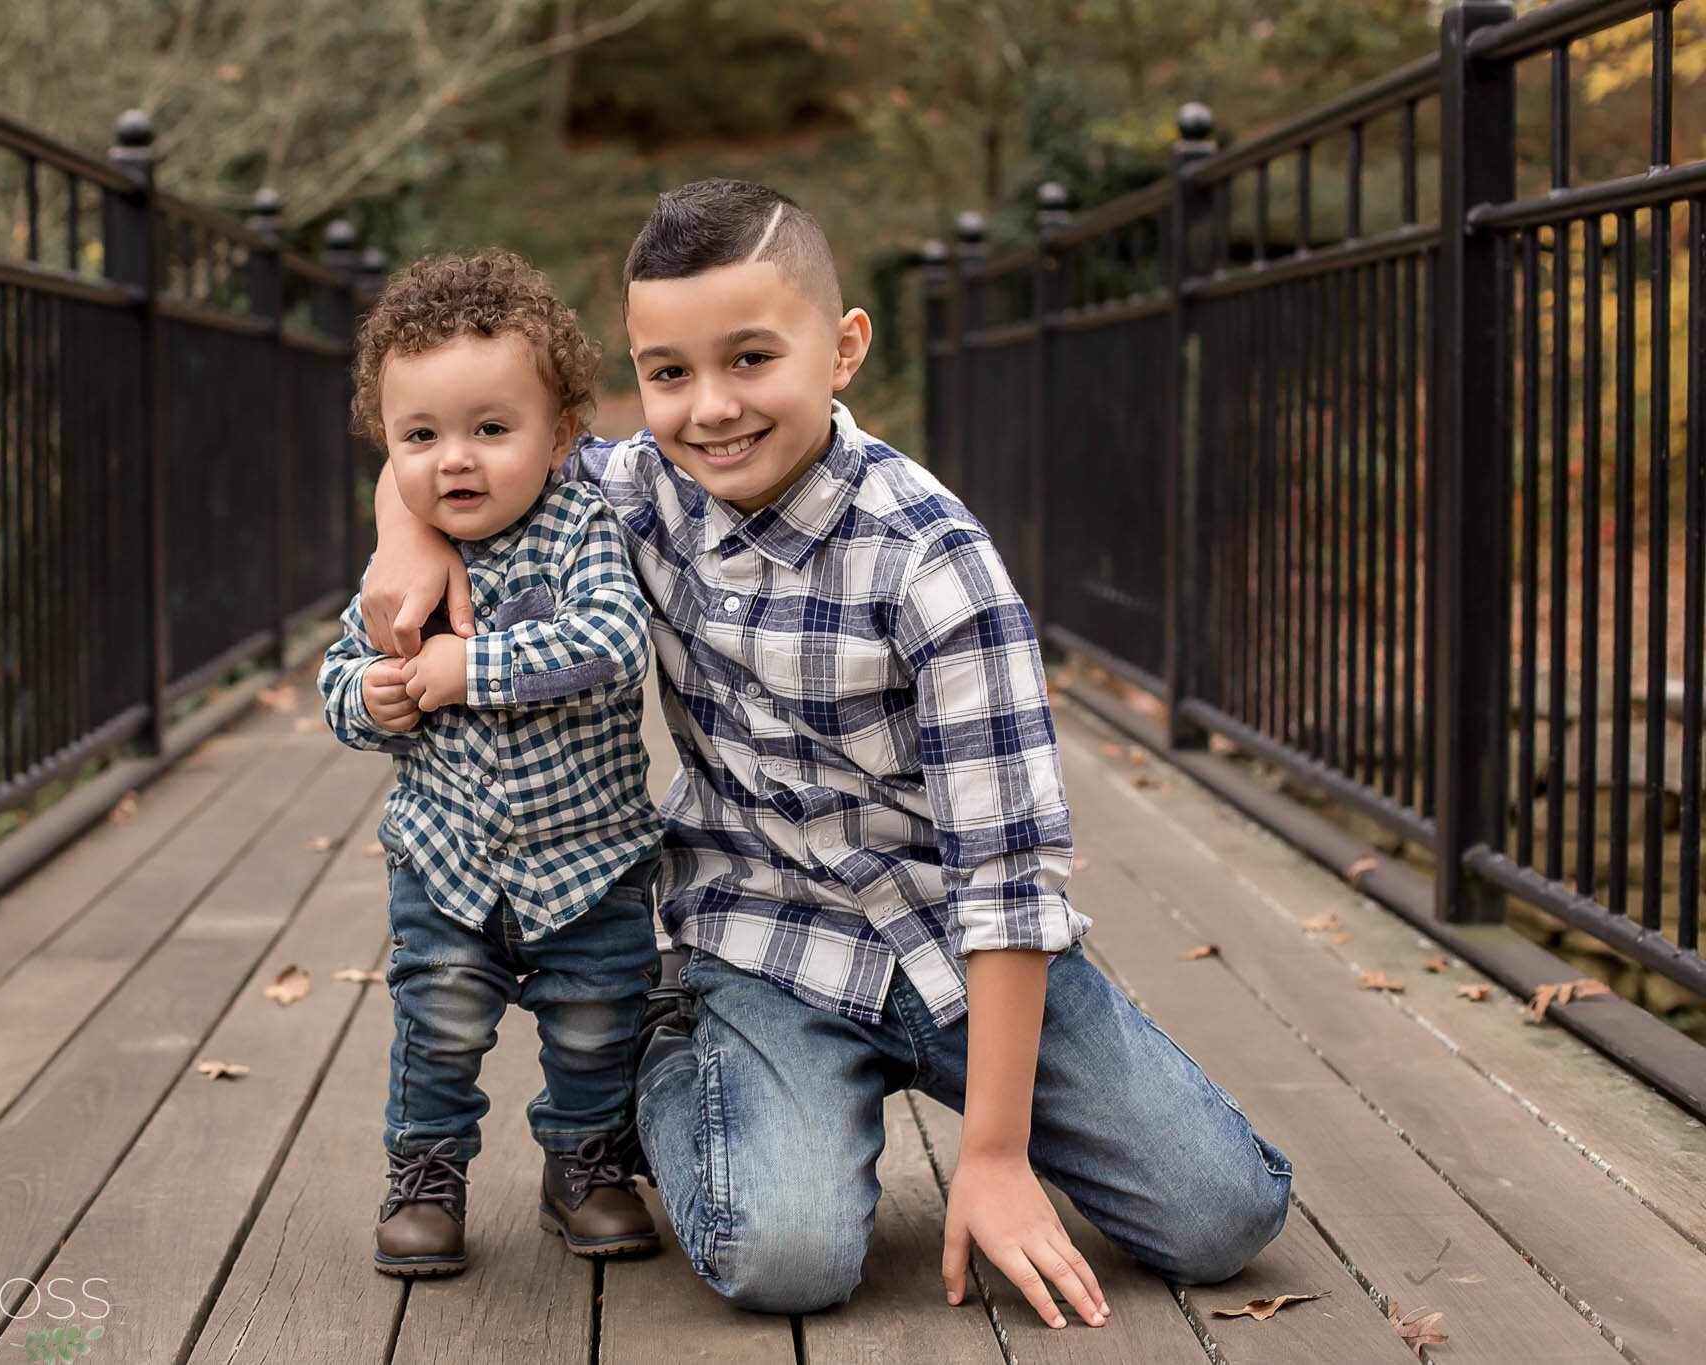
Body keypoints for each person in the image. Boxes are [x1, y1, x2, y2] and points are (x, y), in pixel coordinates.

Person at [357, 181, 1293, 1321]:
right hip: (765, 942)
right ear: (629, 382)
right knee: (785, 1264)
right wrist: (398, 526)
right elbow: (459, 447)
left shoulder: (930, 561)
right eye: (667, 373)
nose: (708, 409)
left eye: (750, 360)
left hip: (956, 947)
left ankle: (964, 1104)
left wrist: (992, 1157)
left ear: (843, 348)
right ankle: (664, 1054)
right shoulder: (638, 490)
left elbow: (1008, 879)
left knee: (1221, 1218)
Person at [318, 249, 664, 1279]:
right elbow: (341, 675)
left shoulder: (580, 531)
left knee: (599, 1026)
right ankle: (427, 1174)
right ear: (388, 445)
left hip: (587, 864)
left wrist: (472, 667)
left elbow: (611, 645)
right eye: (420, 436)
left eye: (490, 429)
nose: (454, 461)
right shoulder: (404, 560)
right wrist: (372, 697)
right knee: (437, 1026)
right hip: (445, 862)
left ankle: (585, 1163)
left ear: (559, 435)